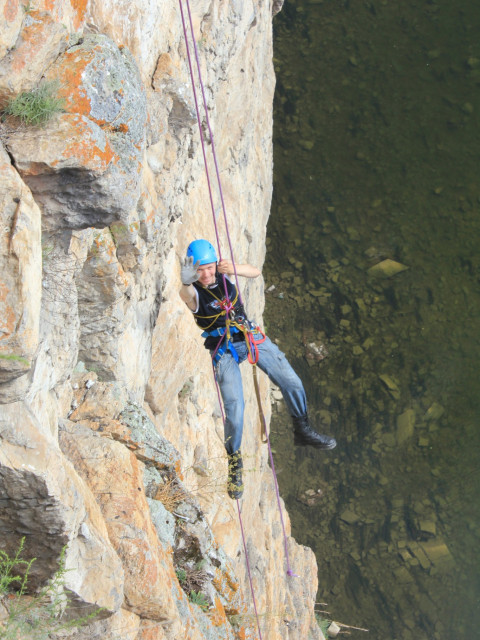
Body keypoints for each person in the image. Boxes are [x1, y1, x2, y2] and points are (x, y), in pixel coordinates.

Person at [179, 239, 336, 499]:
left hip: (250, 338)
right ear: (192, 271)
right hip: (224, 349)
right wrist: (186, 282)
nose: (205, 274)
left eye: (208, 268)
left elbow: (255, 272)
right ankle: (235, 462)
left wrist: (234, 268)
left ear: (215, 264)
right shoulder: (195, 293)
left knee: (292, 381)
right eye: (199, 270)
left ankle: (303, 429)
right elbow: (186, 296)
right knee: (235, 410)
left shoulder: (223, 274)